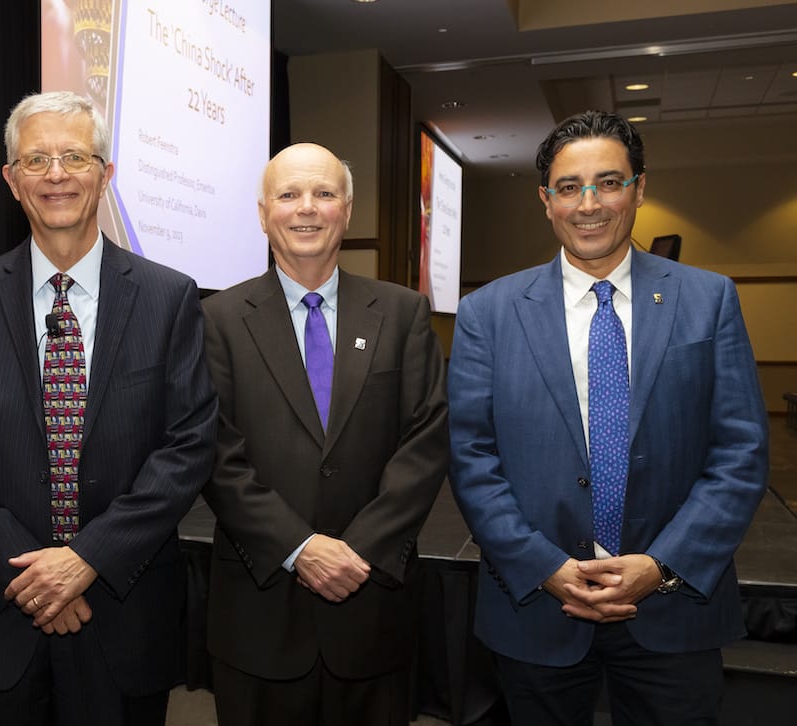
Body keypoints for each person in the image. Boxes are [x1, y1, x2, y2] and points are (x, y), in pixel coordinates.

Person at [448, 110, 769, 724]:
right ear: (546, 200)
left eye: (609, 182)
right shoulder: (486, 313)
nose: (588, 203)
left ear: (639, 189)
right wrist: (545, 567)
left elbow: (741, 452)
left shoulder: (709, 299)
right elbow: (471, 459)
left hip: (674, 609)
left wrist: (661, 566)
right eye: (569, 187)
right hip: (537, 609)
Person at [0, 90, 216, 725]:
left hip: (123, 609)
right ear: (11, 180)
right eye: (36, 160)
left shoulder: (169, 298)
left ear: (106, 174)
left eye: (74, 156)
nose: (55, 174)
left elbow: (187, 445)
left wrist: (87, 559)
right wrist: (32, 577)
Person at [200, 142, 449, 726]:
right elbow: (214, 452)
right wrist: (299, 547)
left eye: (324, 194)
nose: (305, 209)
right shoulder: (216, 320)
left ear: (348, 210)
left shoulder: (405, 312)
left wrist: (357, 550)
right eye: (287, 195)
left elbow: (426, 440)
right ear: (263, 213)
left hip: (373, 607)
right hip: (259, 613)